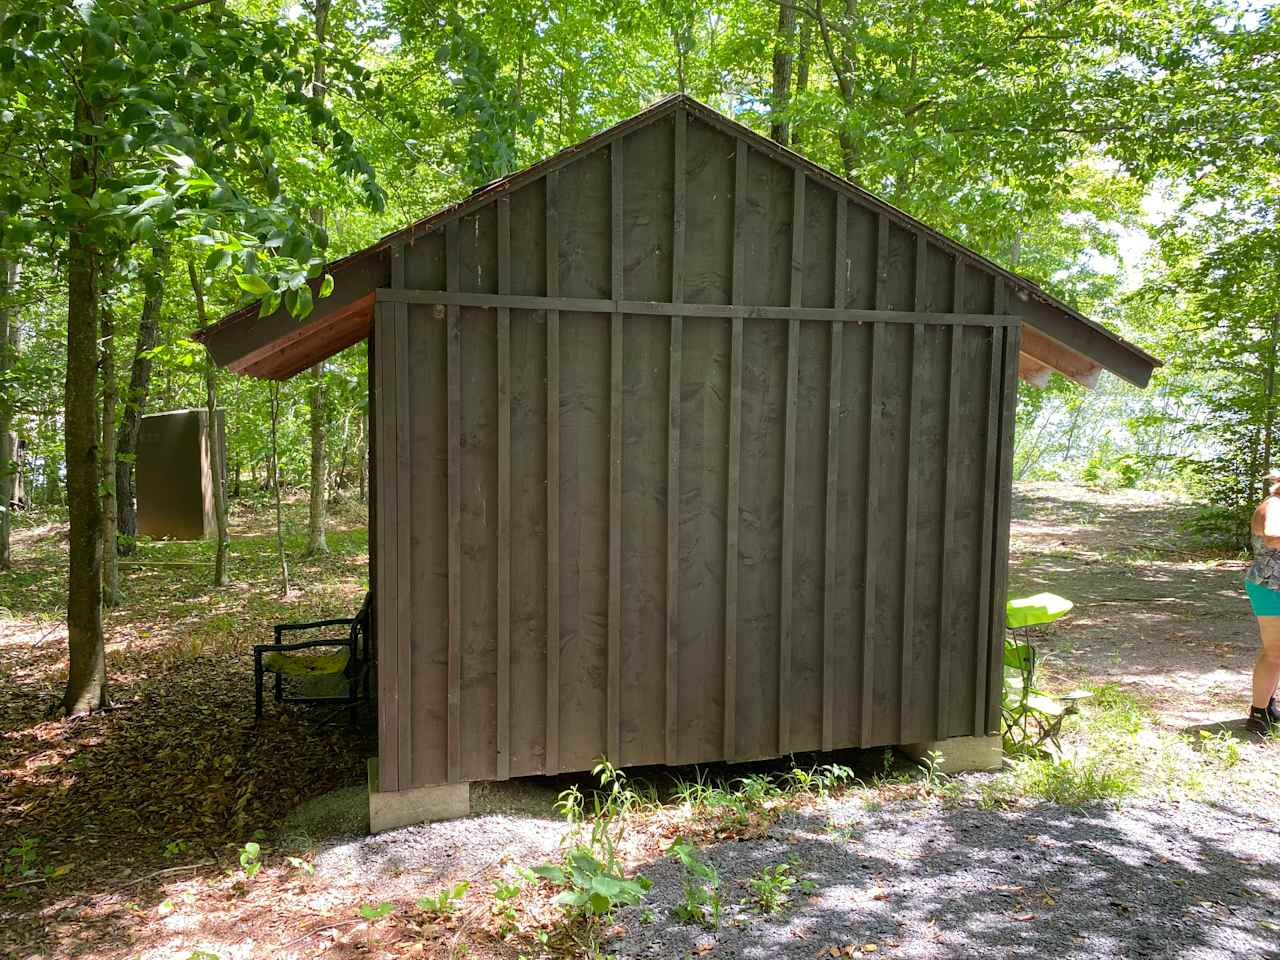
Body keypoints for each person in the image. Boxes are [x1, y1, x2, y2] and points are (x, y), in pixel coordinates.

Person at [1244, 468, 1280, 735]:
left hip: (1272, 584)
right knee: (1275, 652)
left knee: (1275, 651)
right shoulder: (1275, 506)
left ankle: (1266, 704)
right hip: (1270, 586)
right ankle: (1258, 715)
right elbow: (1272, 536)